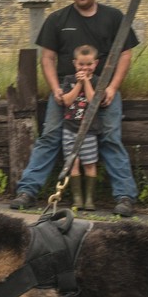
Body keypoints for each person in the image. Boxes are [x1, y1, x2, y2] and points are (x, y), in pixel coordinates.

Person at [9, 0, 140, 217]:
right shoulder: (57, 20)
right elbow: (47, 58)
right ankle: (27, 190)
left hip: (102, 92)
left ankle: (124, 196)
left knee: (111, 138)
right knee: (49, 137)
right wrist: (55, 88)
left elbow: (125, 54)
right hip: (66, 93)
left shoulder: (113, 17)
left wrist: (113, 87)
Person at [59, 45, 104, 210]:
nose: (85, 68)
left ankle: (89, 200)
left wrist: (86, 82)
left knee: (90, 164)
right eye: (81, 65)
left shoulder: (98, 81)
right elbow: (67, 101)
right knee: (73, 163)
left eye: (89, 64)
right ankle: (77, 199)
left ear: (96, 63)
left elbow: (94, 102)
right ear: (74, 63)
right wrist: (78, 83)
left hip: (89, 131)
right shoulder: (69, 80)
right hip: (70, 128)